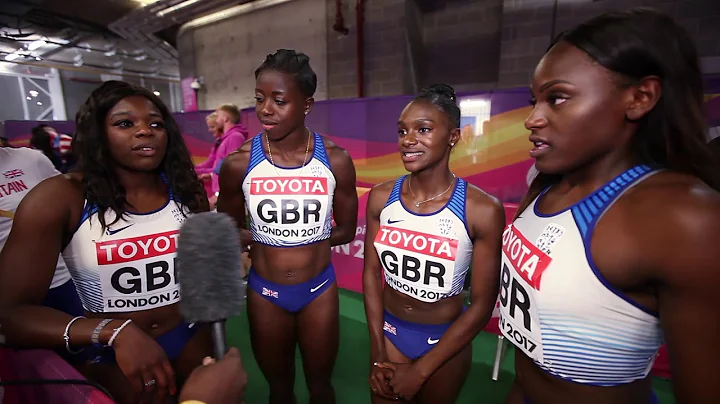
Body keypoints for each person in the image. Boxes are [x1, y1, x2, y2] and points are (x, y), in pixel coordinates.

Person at [500, 8, 720, 404]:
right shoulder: (546, 186)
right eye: (535, 101)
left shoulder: (687, 218)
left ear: (640, 97)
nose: (533, 119)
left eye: (558, 98)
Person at [0, 80, 213, 404]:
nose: (145, 131)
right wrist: (113, 331)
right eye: (125, 123)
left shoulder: (187, 189)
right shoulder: (60, 198)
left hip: (190, 335)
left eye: (155, 123)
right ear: (99, 132)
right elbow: (10, 314)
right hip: (113, 353)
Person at [217, 48, 358, 404]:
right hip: (265, 293)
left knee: (321, 387)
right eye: (260, 99)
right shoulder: (238, 164)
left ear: (307, 104)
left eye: (279, 100)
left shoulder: (336, 160)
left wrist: (306, 240)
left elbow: (346, 228)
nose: (266, 109)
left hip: (319, 291)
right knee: (279, 389)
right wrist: (263, 240)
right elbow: (228, 227)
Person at [362, 84, 505, 403]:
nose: (408, 140)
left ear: (453, 136)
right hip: (392, 335)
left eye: (423, 129)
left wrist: (421, 370)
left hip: (445, 344)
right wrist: (376, 349)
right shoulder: (381, 198)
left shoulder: (482, 210)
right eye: (402, 131)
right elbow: (372, 275)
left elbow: (482, 303)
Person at [0, 146, 83, 320]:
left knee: (95, 343)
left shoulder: (31, 159)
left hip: (63, 280)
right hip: (7, 295)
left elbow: (71, 201)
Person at [201, 105, 248, 209]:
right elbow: (222, 165)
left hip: (227, 197)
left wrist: (217, 195)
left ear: (225, 118)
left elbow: (233, 170)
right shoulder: (228, 138)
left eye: (218, 116)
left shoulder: (235, 137)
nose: (216, 120)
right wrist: (212, 175)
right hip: (223, 196)